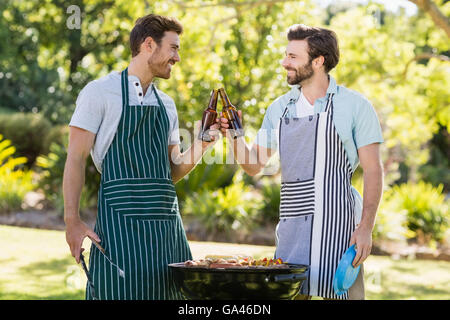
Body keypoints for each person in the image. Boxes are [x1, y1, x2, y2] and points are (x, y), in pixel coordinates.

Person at [219, 24, 384, 300]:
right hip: (293, 230)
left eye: (293, 57)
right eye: (286, 55)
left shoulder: (355, 106)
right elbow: (254, 164)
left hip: (342, 231)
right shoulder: (279, 108)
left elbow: (373, 171)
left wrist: (365, 228)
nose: (285, 62)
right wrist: (234, 135)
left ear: (318, 61)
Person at [63, 14, 219, 300]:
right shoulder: (99, 93)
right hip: (120, 233)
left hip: (167, 234)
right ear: (149, 44)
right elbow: (75, 158)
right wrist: (72, 221)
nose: (177, 58)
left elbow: (171, 171)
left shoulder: (167, 105)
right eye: (173, 48)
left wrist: (203, 143)